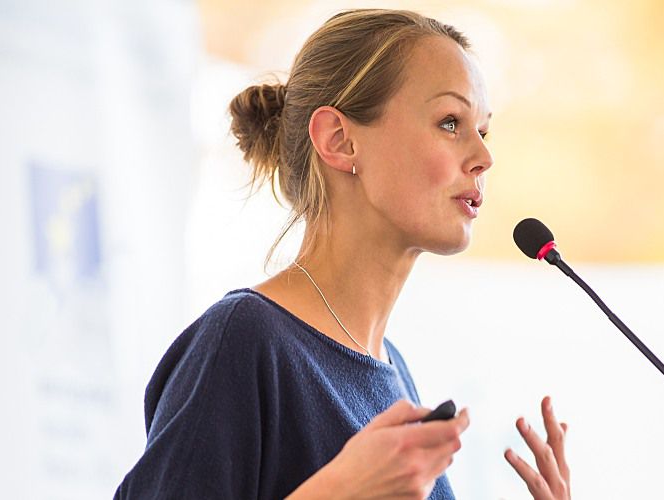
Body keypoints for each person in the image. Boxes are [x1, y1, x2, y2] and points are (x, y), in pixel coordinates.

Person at [115, 9, 571, 499]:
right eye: (449, 122)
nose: (484, 157)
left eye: (483, 130)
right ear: (339, 140)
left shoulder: (394, 374)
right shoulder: (244, 341)